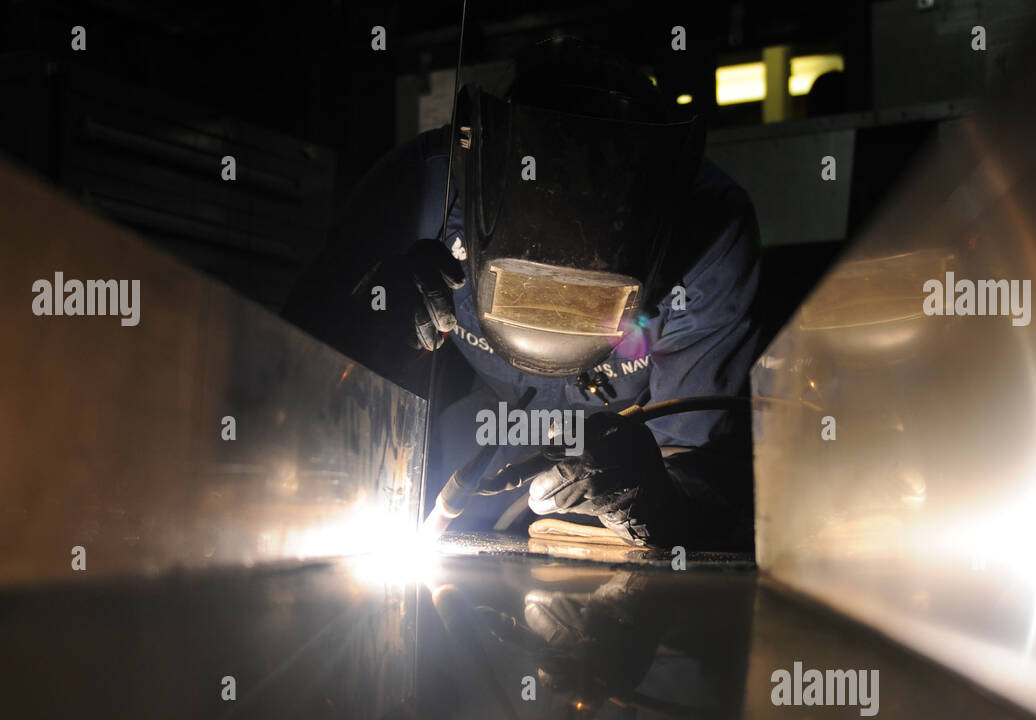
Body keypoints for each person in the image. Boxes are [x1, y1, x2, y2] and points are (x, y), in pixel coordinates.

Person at [283, 38, 763, 551]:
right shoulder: (426, 189)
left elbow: (704, 475)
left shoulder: (710, 236)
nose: (555, 317)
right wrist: (362, 332)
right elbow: (288, 374)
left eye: (586, 302)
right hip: (489, 415)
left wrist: (647, 502)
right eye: (528, 292)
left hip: (623, 441)